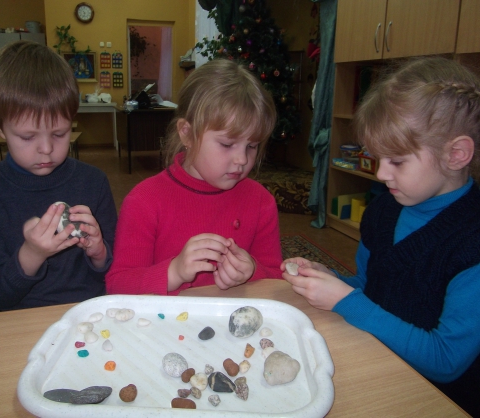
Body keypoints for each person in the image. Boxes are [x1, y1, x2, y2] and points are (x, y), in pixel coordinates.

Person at [281, 56, 480, 416]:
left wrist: (345, 300)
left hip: (440, 398)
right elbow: (372, 286)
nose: (381, 172)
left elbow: (446, 360)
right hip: (379, 358)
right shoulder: (383, 210)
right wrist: (332, 280)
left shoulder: (472, 242)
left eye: (397, 161)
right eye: (378, 157)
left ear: (456, 154)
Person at [106, 59, 283, 296]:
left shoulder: (261, 202)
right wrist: (173, 273)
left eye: (252, 146)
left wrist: (252, 271)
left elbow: (278, 280)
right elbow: (118, 285)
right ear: (187, 134)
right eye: (227, 144)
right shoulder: (144, 201)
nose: (242, 159)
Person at [0, 41, 117, 311]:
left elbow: (115, 274)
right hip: (21, 321)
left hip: (89, 313)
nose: (46, 149)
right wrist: (32, 253)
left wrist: (100, 252)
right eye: (27, 136)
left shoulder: (93, 182)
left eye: (60, 133)